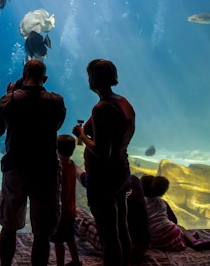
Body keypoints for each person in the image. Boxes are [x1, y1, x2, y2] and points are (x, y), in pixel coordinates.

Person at [0, 59, 66, 266]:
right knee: (42, 232)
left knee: (9, 225)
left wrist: (10, 95)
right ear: (45, 78)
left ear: (23, 77)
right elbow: (56, 126)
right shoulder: (56, 101)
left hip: (15, 168)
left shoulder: (9, 100)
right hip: (46, 170)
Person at [72, 59, 135, 266]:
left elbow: (102, 151)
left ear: (93, 79)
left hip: (103, 178)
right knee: (122, 227)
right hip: (121, 171)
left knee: (108, 234)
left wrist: (81, 135)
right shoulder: (123, 102)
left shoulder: (102, 108)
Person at [139, 174, 210, 252]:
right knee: (179, 227)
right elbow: (174, 220)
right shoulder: (163, 202)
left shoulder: (140, 203)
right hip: (173, 233)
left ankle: (187, 237)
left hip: (155, 240)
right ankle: (194, 241)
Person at [53, 134, 80, 266]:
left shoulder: (60, 168)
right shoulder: (72, 165)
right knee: (70, 238)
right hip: (71, 210)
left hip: (61, 212)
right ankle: (76, 261)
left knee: (58, 241)